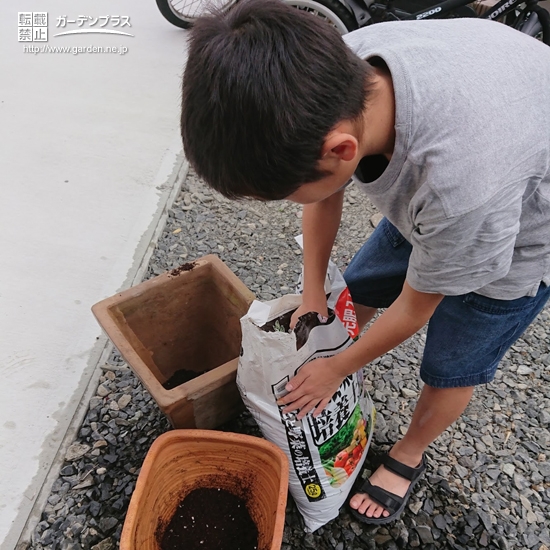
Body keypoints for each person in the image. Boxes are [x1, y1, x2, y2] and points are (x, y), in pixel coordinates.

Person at [180, 0, 550, 525]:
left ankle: (410, 451)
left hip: (522, 231)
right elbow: (322, 195)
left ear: (341, 148)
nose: (292, 201)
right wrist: (313, 296)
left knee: (452, 363)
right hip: (455, 169)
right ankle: (343, 364)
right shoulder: (334, 67)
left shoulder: (459, 191)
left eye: (285, 193)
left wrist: (335, 368)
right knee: (356, 289)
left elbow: (420, 305)